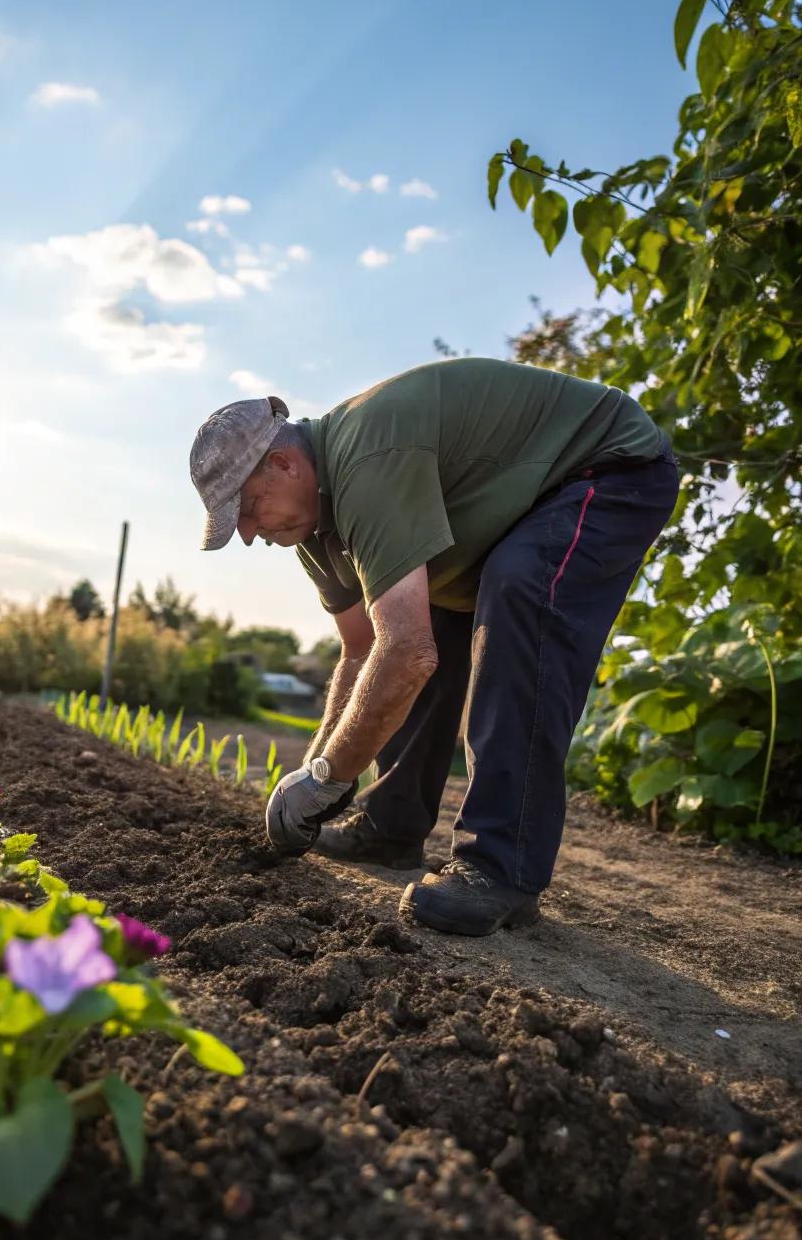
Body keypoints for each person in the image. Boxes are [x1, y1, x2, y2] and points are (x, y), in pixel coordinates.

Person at [188, 358, 679, 936]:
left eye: (246, 508)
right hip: (509, 512)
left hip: (606, 468)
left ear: (283, 463)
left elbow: (406, 653)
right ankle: (391, 828)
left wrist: (328, 776)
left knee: (521, 589)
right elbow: (362, 649)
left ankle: (502, 869)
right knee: (429, 614)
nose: (247, 533)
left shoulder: (367, 461)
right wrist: (311, 779)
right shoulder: (313, 531)